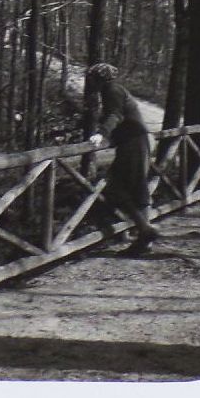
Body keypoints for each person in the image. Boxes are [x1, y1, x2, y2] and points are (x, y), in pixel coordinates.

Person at [84, 63, 159, 255]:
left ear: (100, 78)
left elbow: (115, 114)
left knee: (117, 188)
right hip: (135, 140)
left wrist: (101, 134)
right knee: (134, 187)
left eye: (91, 78)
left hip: (133, 142)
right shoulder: (114, 90)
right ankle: (144, 238)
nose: (89, 82)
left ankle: (145, 230)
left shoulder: (112, 90)